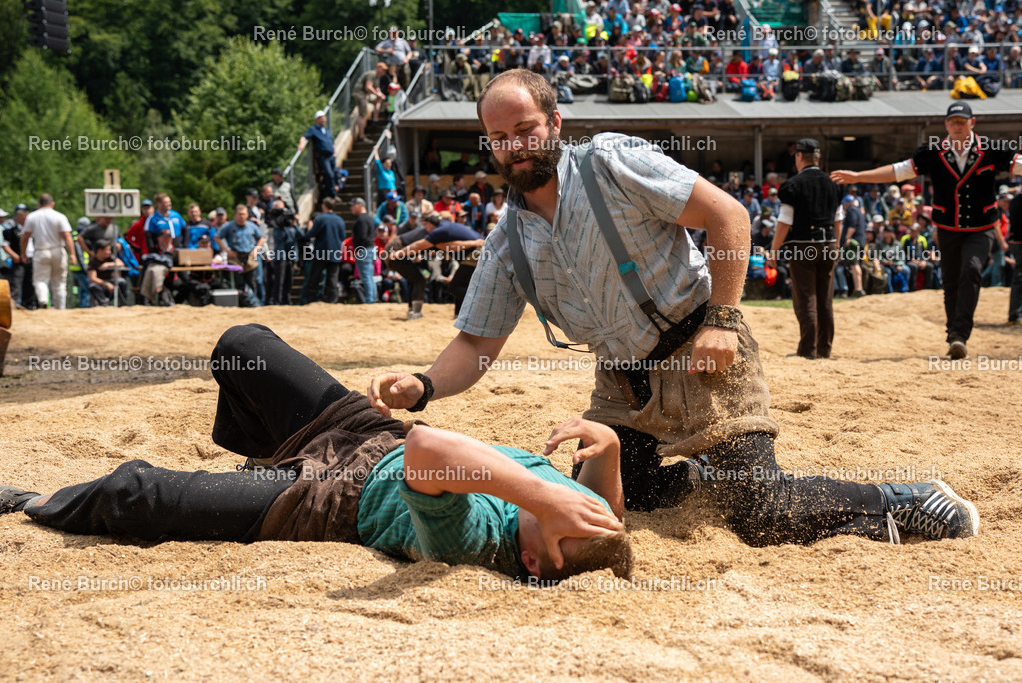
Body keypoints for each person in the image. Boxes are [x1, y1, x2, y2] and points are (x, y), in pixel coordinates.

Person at [368, 69, 979, 546]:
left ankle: (905, 500)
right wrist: (423, 385)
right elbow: (476, 343)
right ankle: (696, 473)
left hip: (703, 350)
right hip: (622, 386)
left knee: (761, 514)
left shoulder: (609, 163)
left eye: (525, 129)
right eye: (499, 138)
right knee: (603, 505)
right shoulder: (507, 240)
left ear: (554, 123)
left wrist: (724, 320)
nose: (514, 147)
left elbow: (727, 216)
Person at [0, 324, 632, 583]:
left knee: (135, 493)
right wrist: (606, 452)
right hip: (369, 435)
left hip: (329, 500)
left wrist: (542, 492)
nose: (571, 498)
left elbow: (428, 449)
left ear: (532, 560)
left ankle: (35, 502)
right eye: (582, 505)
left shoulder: (476, 545)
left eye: (563, 514)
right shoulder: (577, 518)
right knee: (241, 346)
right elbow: (606, 515)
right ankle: (263, 463)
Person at [832, 102, 1022, 359]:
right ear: (946, 125)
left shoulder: (991, 148)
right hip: (947, 227)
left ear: (972, 123)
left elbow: (1019, 164)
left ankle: (961, 332)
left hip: (981, 227)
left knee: (972, 269)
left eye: (962, 121)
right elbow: (898, 171)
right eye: (953, 122)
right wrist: (859, 176)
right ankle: (954, 336)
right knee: (951, 280)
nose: (957, 126)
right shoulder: (932, 152)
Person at [769, 139, 843, 359]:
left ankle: (808, 350)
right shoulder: (834, 184)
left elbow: (784, 221)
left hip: (802, 246)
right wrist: (837, 246)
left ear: (799, 156)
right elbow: (838, 220)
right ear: (817, 158)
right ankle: (824, 349)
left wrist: (774, 251)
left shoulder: (792, 185)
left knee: (806, 298)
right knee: (825, 298)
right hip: (829, 243)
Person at [392, 213, 483, 317]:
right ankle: (458, 314)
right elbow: (449, 246)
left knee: (454, 287)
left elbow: (418, 245)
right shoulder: (446, 226)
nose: (425, 229)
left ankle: (481, 303)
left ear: (430, 223)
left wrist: (398, 254)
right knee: (461, 285)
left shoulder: (438, 231)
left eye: (425, 225)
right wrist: (473, 243)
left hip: (476, 253)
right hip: (478, 251)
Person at [21, 194, 76, 310]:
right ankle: (60, 307)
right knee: (59, 282)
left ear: (39, 204)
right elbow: (67, 236)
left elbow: (25, 237)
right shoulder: (59, 216)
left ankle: (43, 300)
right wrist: (72, 254)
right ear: (52, 203)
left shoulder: (32, 217)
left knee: (40, 280)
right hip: (58, 250)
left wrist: (23, 253)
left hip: (41, 251)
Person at [216, 205, 264, 304]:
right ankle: (241, 303)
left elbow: (261, 238)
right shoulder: (229, 226)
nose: (241, 216)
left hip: (249, 258)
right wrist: (227, 251)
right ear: (235, 215)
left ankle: (254, 302)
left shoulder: (251, 226)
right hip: (236, 258)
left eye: (243, 214)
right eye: (239, 214)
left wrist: (256, 249)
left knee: (253, 282)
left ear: (247, 215)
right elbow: (217, 237)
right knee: (238, 282)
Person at [305, 197, 346, 304]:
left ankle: (311, 300)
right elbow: (343, 236)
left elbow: (311, 234)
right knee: (333, 279)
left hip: (321, 253)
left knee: (315, 277)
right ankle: (333, 300)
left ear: (324, 205)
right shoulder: (340, 220)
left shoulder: (320, 219)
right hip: (335, 253)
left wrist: (309, 228)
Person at [298, 111, 339, 199]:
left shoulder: (326, 130)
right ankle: (332, 194)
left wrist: (335, 151)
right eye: (321, 118)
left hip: (331, 156)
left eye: (324, 117)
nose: (323, 119)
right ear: (316, 119)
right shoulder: (313, 129)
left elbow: (331, 142)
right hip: (323, 156)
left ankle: (329, 193)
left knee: (333, 174)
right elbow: (304, 137)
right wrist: (301, 144)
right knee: (329, 174)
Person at [350, 197, 378, 304]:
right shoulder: (368, 218)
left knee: (366, 277)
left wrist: (358, 248)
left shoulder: (362, 219)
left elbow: (362, 236)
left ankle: (370, 300)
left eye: (353, 205)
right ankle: (372, 299)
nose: (351, 208)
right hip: (369, 249)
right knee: (369, 276)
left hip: (364, 250)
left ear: (360, 205)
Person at [87, 242, 129, 307]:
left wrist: (108, 264)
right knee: (93, 286)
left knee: (122, 282)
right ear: (100, 250)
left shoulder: (110, 258)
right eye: (107, 250)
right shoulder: (93, 262)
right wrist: (106, 284)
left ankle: (123, 304)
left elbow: (121, 263)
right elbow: (93, 278)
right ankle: (104, 304)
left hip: (112, 282)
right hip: (101, 285)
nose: (109, 252)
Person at [1009, 190, 1022, 325]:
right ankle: (1014, 315)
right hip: (1019, 244)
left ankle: (1015, 314)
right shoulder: (1017, 202)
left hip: (1016, 243)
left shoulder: (1014, 201)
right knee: (1019, 280)